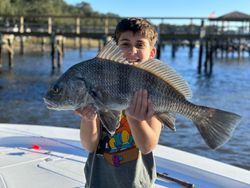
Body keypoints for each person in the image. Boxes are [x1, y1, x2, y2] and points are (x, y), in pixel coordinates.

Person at [75, 17, 162, 188]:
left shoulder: (154, 92)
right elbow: (90, 145)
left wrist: (135, 119)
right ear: (114, 49)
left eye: (140, 45)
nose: (132, 51)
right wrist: (88, 119)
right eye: (125, 44)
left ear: (152, 53)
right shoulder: (101, 86)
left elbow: (147, 146)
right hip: (97, 181)